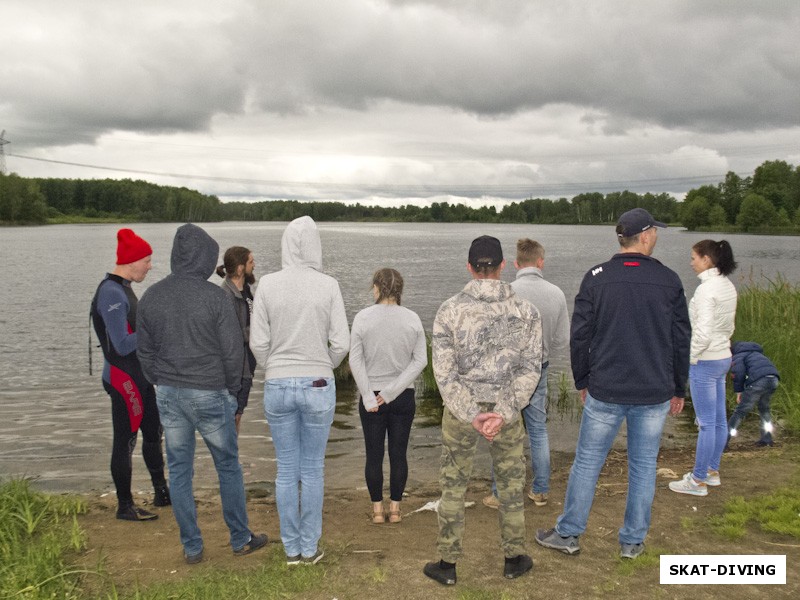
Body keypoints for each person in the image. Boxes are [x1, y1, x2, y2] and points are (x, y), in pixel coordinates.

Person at [536, 208, 690, 560]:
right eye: (657, 232)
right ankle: (632, 541)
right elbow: (682, 339)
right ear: (646, 235)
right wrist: (678, 387)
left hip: (605, 389)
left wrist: (583, 379)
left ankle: (568, 533)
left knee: (587, 462)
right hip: (652, 392)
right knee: (642, 465)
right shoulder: (669, 280)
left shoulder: (596, 277)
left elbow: (580, 337)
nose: (657, 237)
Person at [137, 224, 267, 564]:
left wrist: (159, 380)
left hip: (169, 394)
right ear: (205, 257)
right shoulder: (215, 297)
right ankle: (240, 538)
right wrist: (231, 392)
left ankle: (192, 547)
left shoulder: (151, 296)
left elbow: (144, 352)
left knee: (180, 471)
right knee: (227, 466)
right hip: (211, 393)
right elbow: (233, 353)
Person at [423, 235, 542, 586]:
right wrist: (502, 411)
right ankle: (514, 557)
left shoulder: (449, 310)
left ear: (470, 267)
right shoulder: (526, 310)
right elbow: (531, 369)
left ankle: (447, 563)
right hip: (505, 413)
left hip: (462, 415)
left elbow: (444, 374)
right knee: (510, 485)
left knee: (453, 485)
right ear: (503, 266)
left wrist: (472, 412)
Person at [250, 216, 350, 566]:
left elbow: (258, 343)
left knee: (286, 470)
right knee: (312, 470)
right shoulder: (328, 285)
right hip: (319, 383)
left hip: (277, 382)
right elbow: (341, 342)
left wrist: (276, 368)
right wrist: (323, 363)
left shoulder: (266, 284)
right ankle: (309, 547)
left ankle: (291, 549)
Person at [483, 238, 569, 509]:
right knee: (538, 429)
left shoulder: (505, 291)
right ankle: (540, 490)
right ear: (540, 262)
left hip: (507, 371)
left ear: (517, 263)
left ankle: (500, 494)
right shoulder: (556, 293)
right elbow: (562, 339)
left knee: (503, 428)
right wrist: (543, 352)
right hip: (538, 367)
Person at [90, 228, 169, 521]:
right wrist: (153, 331)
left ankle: (162, 492)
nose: (150, 266)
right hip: (123, 379)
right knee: (125, 441)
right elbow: (122, 344)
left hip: (141, 375)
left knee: (153, 433)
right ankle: (124, 505)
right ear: (132, 260)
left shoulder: (124, 287)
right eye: (147, 261)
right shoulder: (111, 292)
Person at [349, 268, 427, 524]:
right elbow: (420, 362)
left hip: (372, 397)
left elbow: (355, 361)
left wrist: (369, 395)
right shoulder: (412, 318)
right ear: (399, 289)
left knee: (374, 454)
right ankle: (395, 510)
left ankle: (377, 511)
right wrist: (393, 391)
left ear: (377, 288)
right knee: (398, 453)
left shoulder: (362, 318)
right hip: (402, 397)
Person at [669, 240, 737, 497]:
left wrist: (689, 357)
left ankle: (697, 481)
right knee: (718, 420)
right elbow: (728, 327)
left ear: (707, 259)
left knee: (706, 424)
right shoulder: (727, 285)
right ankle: (711, 471)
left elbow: (703, 332)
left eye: (694, 257)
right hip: (722, 357)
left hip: (705, 361)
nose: (691, 262)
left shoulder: (707, 290)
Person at [216, 246, 257, 434]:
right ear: (240, 268)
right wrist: (261, 333)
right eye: (250, 262)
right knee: (233, 415)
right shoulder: (226, 295)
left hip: (247, 364)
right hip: (235, 368)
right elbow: (231, 334)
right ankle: (230, 459)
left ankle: (233, 457)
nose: (254, 265)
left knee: (238, 414)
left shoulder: (246, 291)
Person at [727, 342, 780, 447]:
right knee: (764, 409)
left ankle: (723, 442)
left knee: (740, 412)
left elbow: (739, 373)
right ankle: (767, 439)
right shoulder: (758, 354)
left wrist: (739, 392)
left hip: (758, 382)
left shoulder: (739, 355)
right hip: (773, 379)